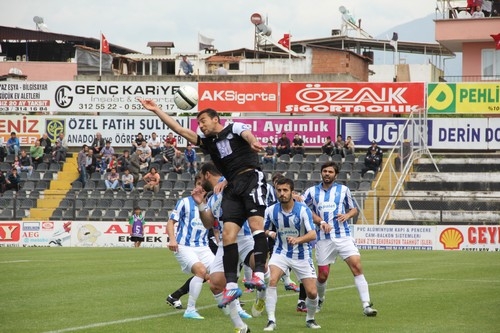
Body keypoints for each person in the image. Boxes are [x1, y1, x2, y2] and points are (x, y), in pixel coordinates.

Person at [138, 99, 269, 310]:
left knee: (256, 226)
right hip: (233, 186)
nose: (201, 125)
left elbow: (247, 134)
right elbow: (179, 129)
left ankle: (260, 274)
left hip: (251, 178)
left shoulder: (233, 127)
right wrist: (156, 110)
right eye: (199, 123)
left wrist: (253, 141)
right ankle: (232, 285)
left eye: (203, 121)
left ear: (216, 119)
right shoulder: (207, 143)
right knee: (227, 235)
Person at [302, 161, 378, 317]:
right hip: (323, 238)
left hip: (343, 236)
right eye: (325, 171)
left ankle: (366, 305)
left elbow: (354, 209)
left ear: (335, 175)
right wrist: (320, 221)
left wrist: (347, 215)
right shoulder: (311, 191)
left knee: (356, 266)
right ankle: (320, 300)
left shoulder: (344, 190)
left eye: (330, 172)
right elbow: (303, 208)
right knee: (322, 275)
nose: (327, 174)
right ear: (321, 173)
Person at [263, 177, 321, 331]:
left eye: (285, 190)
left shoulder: (302, 210)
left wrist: (298, 239)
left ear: (291, 192)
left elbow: (313, 234)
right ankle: (271, 320)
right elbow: (264, 229)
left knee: (312, 292)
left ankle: (310, 318)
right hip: (280, 253)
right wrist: (270, 233)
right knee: (272, 280)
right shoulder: (271, 210)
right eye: (279, 190)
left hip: (302, 255)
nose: (282, 193)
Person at [167, 173, 214, 320]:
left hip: (204, 247)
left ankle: (234, 307)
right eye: (198, 184)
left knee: (219, 274)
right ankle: (190, 310)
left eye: (203, 185)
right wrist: (172, 239)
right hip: (184, 246)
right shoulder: (184, 202)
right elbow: (170, 222)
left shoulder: (210, 204)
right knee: (201, 271)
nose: (200, 187)